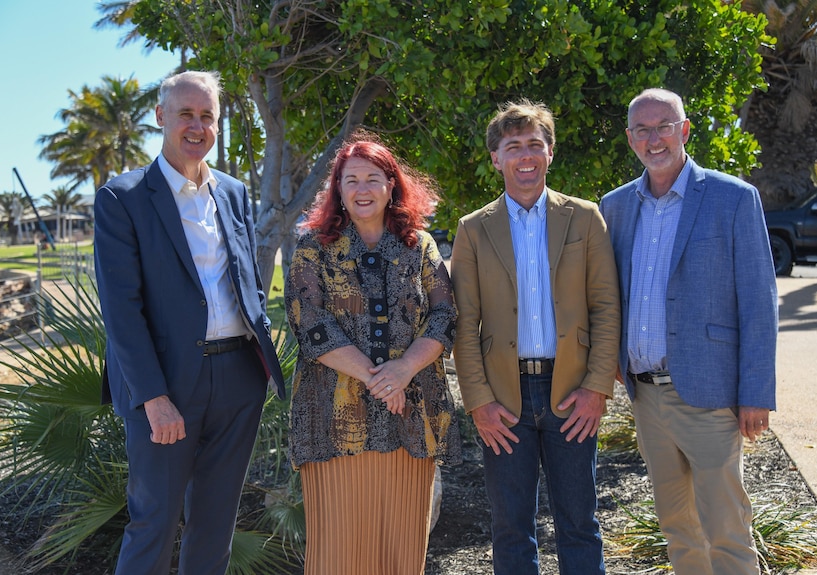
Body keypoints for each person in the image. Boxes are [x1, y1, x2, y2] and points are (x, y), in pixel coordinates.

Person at [94, 70, 285, 575]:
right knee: (153, 522)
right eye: (186, 114)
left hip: (239, 380)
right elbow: (121, 310)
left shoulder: (234, 193)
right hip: (167, 385)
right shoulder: (123, 198)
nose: (197, 126)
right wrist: (153, 398)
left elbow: (248, 281)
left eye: (208, 116)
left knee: (215, 524)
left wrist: (259, 368)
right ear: (161, 117)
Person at [599, 88, 778, 575]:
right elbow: (607, 294)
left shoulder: (734, 199)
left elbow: (760, 302)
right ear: (630, 138)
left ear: (685, 129)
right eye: (642, 129)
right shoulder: (614, 208)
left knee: (726, 528)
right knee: (677, 526)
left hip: (710, 392)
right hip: (646, 397)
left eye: (663, 126)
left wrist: (755, 392)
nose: (653, 138)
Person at [450, 99, 620, 575]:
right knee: (510, 529)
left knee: (580, 524)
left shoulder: (584, 219)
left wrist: (596, 389)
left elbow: (606, 309)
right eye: (513, 146)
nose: (525, 155)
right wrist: (479, 402)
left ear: (550, 153)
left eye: (534, 145)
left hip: (572, 394)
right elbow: (465, 324)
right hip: (504, 400)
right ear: (496, 159)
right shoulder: (473, 230)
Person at [285, 133, 461, 575]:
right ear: (338, 190)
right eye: (351, 180)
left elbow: (444, 315)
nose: (362, 189)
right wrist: (378, 377)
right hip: (332, 419)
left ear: (391, 185)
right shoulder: (312, 248)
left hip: (410, 416)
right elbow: (309, 322)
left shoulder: (419, 246)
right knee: (338, 549)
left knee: (399, 546)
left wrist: (402, 370)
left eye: (372, 178)